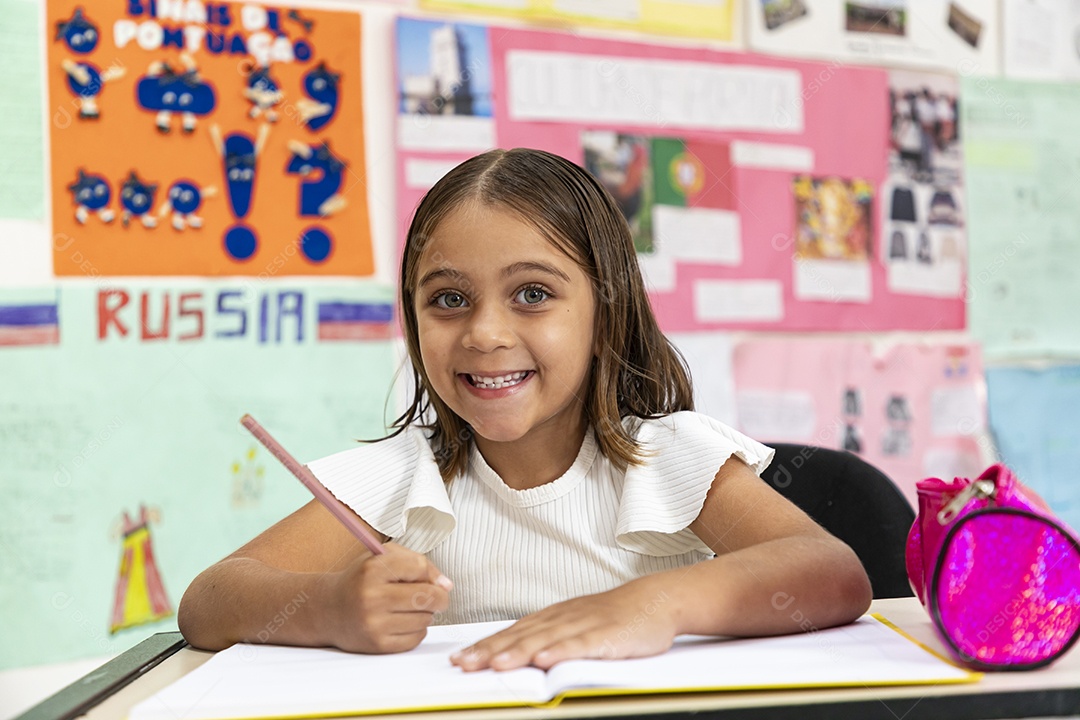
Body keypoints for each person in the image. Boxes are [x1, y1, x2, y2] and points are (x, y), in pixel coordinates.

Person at [177, 148, 871, 671]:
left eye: (533, 294)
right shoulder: (402, 476)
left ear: (605, 316)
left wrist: (656, 603)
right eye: (448, 300)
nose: (484, 333)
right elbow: (209, 601)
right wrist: (332, 608)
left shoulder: (668, 456)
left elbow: (831, 571)